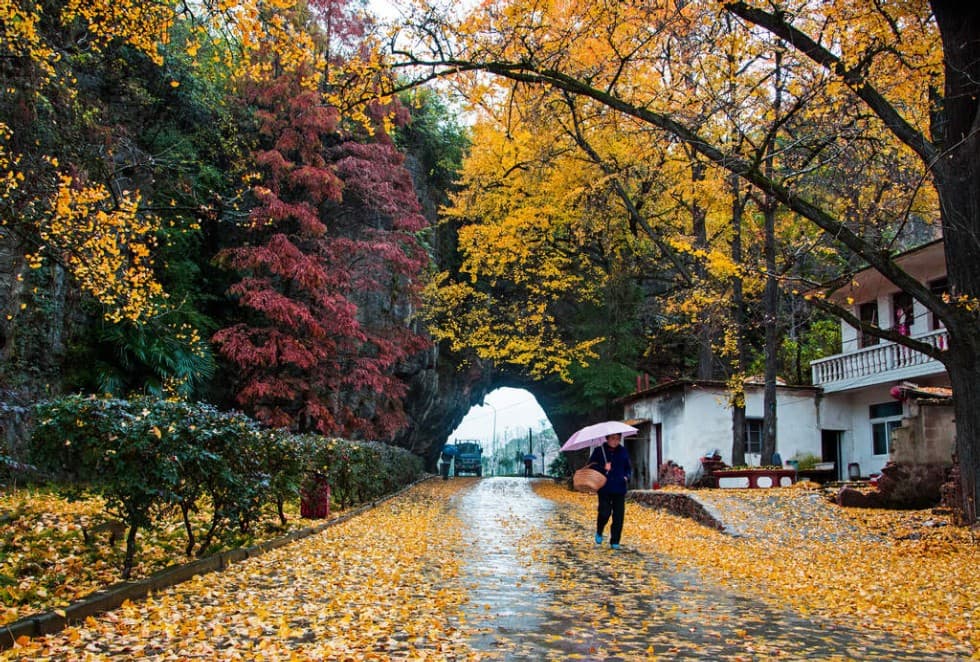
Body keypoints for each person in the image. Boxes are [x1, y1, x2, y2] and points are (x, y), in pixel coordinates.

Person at [588, 432, 631, 550]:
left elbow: (628, 468)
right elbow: (591, 466)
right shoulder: (599, 451)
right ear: (607, 438)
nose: (615, 441)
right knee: (604, 512)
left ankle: (615, 541)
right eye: (613, 438)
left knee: (618, 516)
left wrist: (626, 477)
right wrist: (603, 468)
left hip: (619, 487)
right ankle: (599, 530)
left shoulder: (623, 451)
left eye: (618, 439)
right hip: (604, 487)